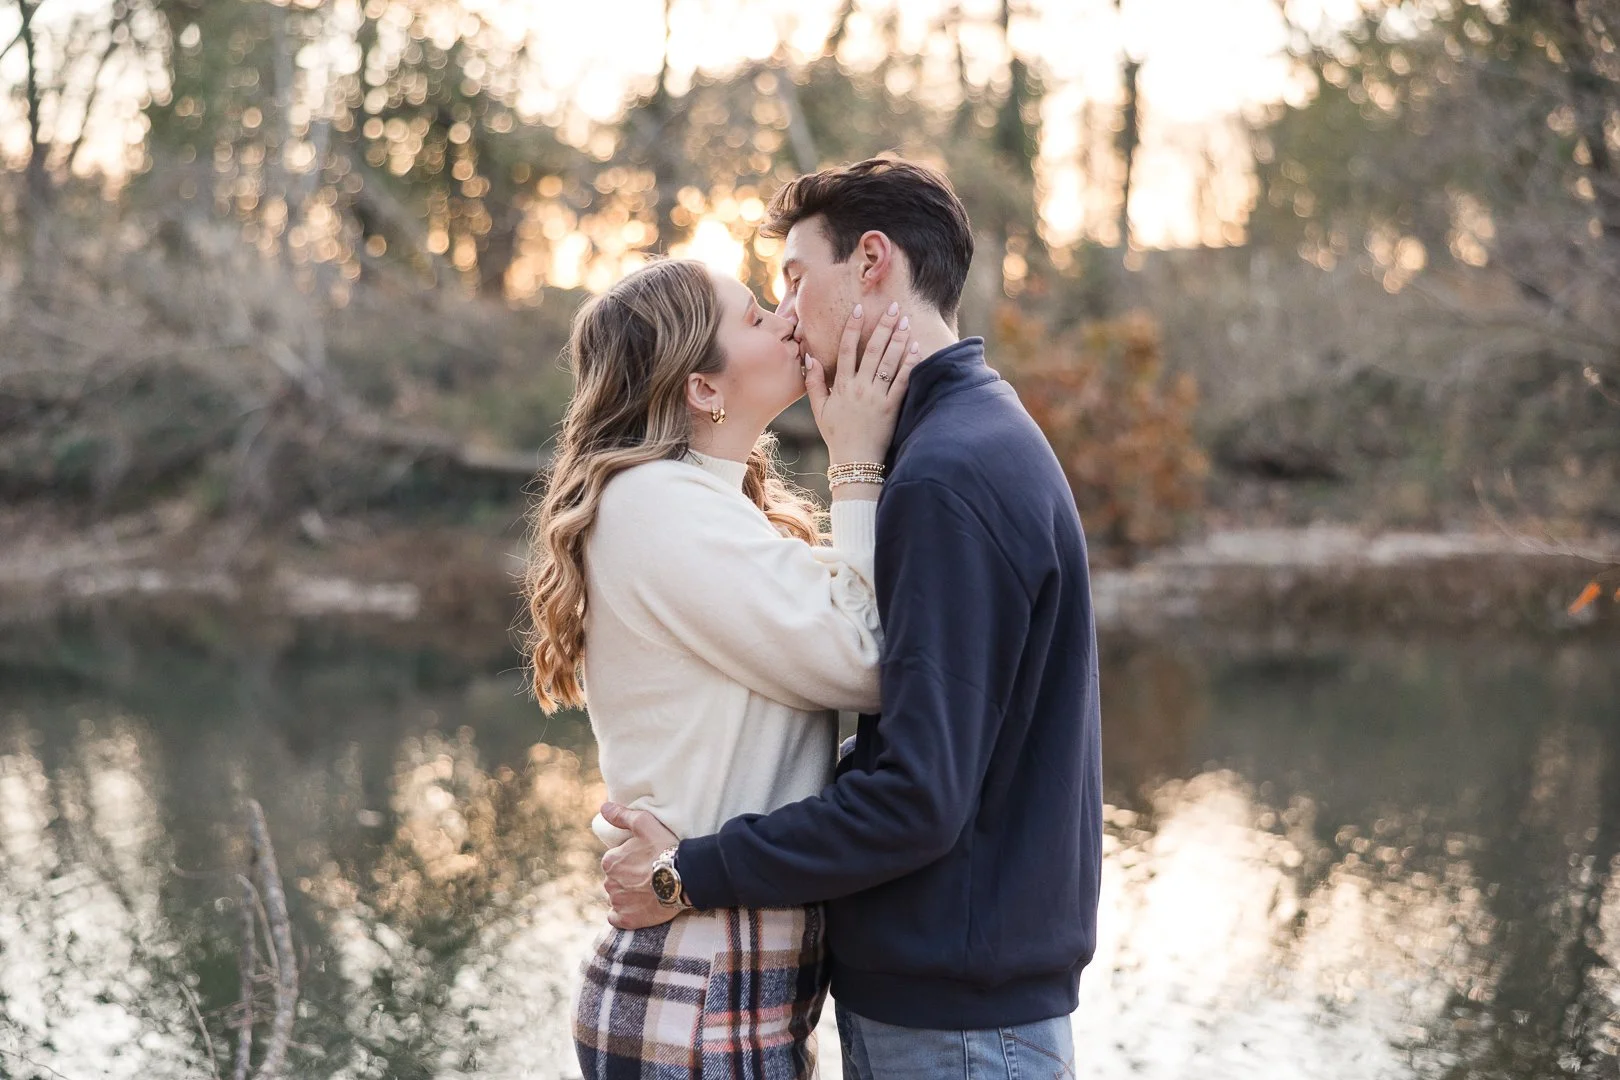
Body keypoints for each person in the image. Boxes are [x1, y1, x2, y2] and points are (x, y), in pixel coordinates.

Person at [599, 158, 1103, 1080]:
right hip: (920, 1001)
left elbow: (914, 784)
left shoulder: (948, 470)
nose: (787, 311)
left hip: (956, 1019)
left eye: (792, 279)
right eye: (764, 301)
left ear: (871, 262)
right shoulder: (959, 442)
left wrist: (693, 869)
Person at [522, 255, 926, 1078]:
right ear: (703, 389)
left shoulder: (707, 506)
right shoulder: (655, 506)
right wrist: (856, 462)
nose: (785, 316)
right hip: (698, 975)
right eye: (753, 316)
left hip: (727, 962)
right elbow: (869, 657)